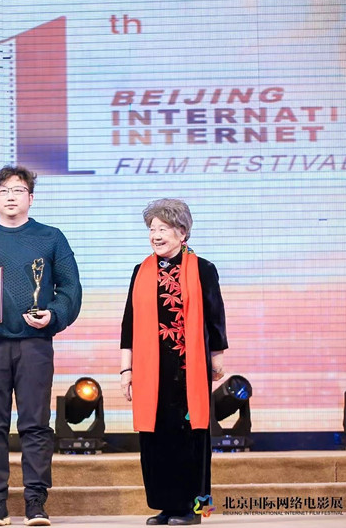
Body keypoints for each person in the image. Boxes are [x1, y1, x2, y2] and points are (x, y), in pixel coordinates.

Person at [0, 165, 82, 527]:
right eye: (3, 191)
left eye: (18, 191)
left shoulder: (51, 237)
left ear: (31, 197)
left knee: (36, 424)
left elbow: (70, 287)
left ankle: (35, 501)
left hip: (35, 344)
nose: (10, 197)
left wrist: (54, 314)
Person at [120, 198, 227, 526]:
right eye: (152, 229)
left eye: (163, 229)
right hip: (151, 371)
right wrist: (126, 369)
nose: (156, 235)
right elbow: (128, 324)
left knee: (192, 440)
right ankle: (166, 507)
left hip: (189, 368)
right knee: (156, 440)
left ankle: (195, 512)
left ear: (182, 232)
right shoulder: (141, 272)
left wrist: (217, 359)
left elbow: (215, 318)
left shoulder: (203, 269)